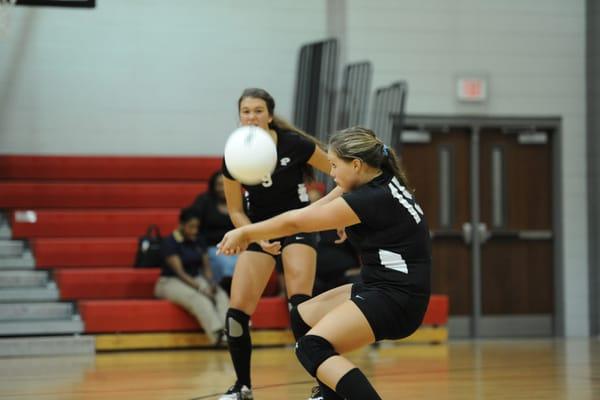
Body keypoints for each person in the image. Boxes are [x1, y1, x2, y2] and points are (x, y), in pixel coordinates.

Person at [218, 127, 432, 400]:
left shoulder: (370, 198)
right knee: (303, 316)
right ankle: (328, 396)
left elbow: (298, 222)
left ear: (356, 164)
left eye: (334, 165)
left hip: (397, 299)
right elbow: (311, 212)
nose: (330, 174)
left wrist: (246, 232)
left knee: (310, 347)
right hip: (384, 287)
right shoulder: (378, 179)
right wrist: (337, 219)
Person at [218, 88, 335, 400]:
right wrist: (255, 235)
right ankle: (242, 387)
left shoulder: (293, 143)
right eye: (246, 111)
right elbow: (235, 210)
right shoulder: (234, 154)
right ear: (239, 116)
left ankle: (324, 386)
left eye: (258, 110)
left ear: (269, 115)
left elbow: (337, 170)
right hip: (261, 231)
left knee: (299, 305)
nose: (252, 116)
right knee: (237, 312)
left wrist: (336, 213)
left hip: (298, 225)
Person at [154, 207, 229, 346]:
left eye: (197, 227)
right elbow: (180, 273)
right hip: (170, 282)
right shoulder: (170, 242)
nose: (194, 230)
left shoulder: (198, 240)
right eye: (191, 227)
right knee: (199, 298)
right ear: (181, 225)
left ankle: (229, 333)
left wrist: (211, 283)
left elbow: (206, 267)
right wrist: (202, 288)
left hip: (195, 278)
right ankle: (217, 336)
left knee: (220, 294)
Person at [190, 171, 238, 294]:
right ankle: (225, 291)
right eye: (218, 185)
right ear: (213, 186)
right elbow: (194, 227)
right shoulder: (204, 201)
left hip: (237, 247)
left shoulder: (238, 201)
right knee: (226, 264)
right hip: (213, 247)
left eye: (225, 184)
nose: (222, 188)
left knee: (246, 261)